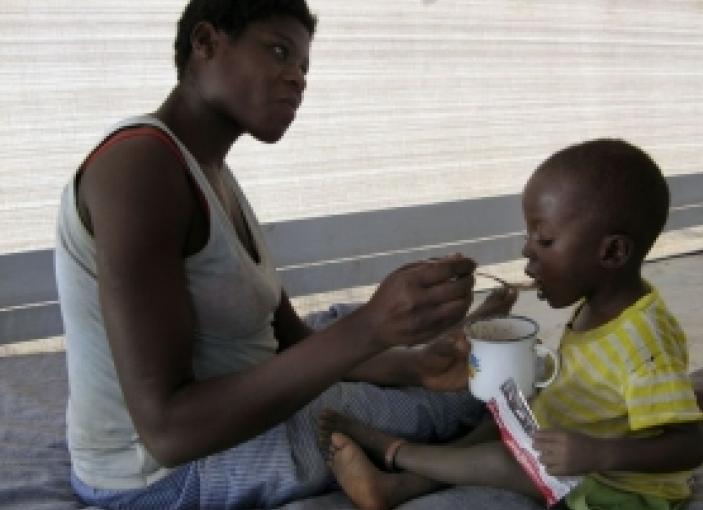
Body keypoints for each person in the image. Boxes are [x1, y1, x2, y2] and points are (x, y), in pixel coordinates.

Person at [54, 1, 519, 508]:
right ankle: (405, 476)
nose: (298, 79)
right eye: (279, 52)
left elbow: (291, 339)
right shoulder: (139, 168)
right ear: (206, 43)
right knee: (472, 406)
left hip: (241, 414)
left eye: (304, 67)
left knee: (462, 384)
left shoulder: (209, 171)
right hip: (162, 474)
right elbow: (168, 431)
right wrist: (369, 327)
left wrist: (411, 364)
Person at [319, 139, 703, 510]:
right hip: (565, 439)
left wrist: (598, 452)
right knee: (498, 422)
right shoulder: (601, 305)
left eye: (544, 241)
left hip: (618, 489)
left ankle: (395, 452)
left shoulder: (644, 342)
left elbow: (690, 445)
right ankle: (397, 485)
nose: (526, 250)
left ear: (611, 251)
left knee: (499, 460)